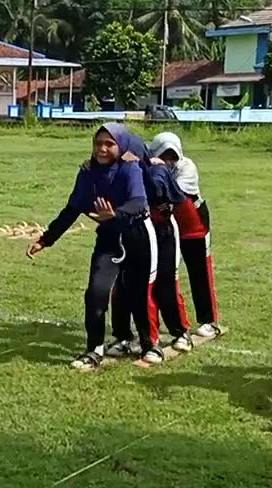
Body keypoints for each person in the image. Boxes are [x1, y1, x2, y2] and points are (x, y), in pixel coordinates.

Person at [27, 123, 158, 370]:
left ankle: (150, 344)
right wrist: (46, 239)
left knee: (138, 295)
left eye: (109, 144)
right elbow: (72, 210)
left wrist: (116, 214)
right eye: (98, 143)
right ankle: (94, 349)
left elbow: (139, 203)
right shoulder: (87, 173)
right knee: (96, 293)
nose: (102, 149)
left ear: (121, 145)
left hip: (137, 235)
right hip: (108, 239)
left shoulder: (130, 168)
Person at [108, 146, 193, 357]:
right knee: (123, 285)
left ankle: (179, 332)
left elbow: (160, 196)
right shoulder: (117, 170)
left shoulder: (156, 170)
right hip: (133, 233)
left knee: (164, 284)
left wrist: (141, 167)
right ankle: (124, 336)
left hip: (162, 233)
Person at [149, 132, 219, 338]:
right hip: (167, 225)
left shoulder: (187, 167)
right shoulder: (149, 163)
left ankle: (209, 320)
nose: (168, 161)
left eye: (172, 156)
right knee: (167, 273)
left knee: (200, 272)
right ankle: (171, 320)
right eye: (164, 155)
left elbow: (172, 193)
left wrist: (155, 169)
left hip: (193, 224)